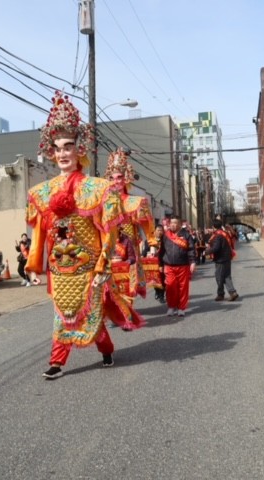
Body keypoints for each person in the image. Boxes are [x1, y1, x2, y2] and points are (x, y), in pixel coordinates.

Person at [25, 91, 143, 380]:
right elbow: (39, 232)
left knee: (92, 315)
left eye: (68, 146)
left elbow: (108, 232)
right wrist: (33, 266)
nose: (63, 153)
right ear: (52, 152)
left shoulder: (99, 189)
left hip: (89, 268)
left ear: (80, 150)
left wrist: (103, 264)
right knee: (62, 317)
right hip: (60, 269)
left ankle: (105, 348)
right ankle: (57, 361)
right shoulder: (42, 192)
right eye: (58, 148)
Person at [103, 147, 156, 300]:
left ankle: (127, 312)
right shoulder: (103, 203)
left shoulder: (136, 202)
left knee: (127, 283)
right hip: (109, 247)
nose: (116, 181)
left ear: (126, 178)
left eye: (119, 177)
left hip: (129, 249)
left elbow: (147, 225)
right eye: (112, 178)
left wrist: (151, 244)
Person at [158, 215, 196, 317]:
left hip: (183, 265)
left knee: (183, 288)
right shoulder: (166, 236)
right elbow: (161, 251)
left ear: (180, 224)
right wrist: (160, 264)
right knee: (170, 287)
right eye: (171, 223)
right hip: (169, 266)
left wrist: (192, 262)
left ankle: (181, 308)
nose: (173, 225)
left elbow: (191, 249)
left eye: (175, 223)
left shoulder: (186, 235)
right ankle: (171, 307)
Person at [206, 218, 239, 302]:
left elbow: (216, 248)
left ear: (213, 226)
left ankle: (221, 294)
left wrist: (207, 252)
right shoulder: (224, 233)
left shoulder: (218, 235)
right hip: (227, 256)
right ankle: (232, 293)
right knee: (227, 276)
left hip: (221, 259)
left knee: (219, 276)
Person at [142, 224, 166, 303]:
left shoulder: (165, 240)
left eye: (161, 230)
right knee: (155, 280)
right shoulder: (149, 241)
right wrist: (146, 254)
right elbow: (144, 252)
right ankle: (157, 292)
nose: (160, 232)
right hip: (152, 264)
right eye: (158, 230)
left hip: (163, 263)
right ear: (154, 232)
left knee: (162, 279)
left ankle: (161, 295)